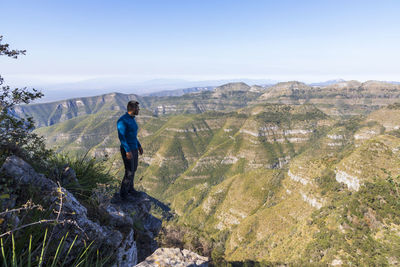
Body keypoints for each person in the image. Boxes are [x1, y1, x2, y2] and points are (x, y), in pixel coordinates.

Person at [117, 100, 143, 200]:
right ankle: (123, 194)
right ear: (132, 109)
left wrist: (139, 146)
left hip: (134, 148)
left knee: (134, 169)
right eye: (137, 108)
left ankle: (130, 189)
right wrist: (127, 151)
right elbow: (122, 137)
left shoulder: (132, 119)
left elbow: (132, 135)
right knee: (129, 171)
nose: (138, 110)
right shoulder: (122, 120)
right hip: (127, 150)